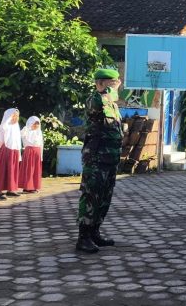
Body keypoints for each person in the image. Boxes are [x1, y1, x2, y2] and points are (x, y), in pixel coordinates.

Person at [76, 68, 123, 253]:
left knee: (104, 198)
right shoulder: (94, 99)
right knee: (91, 196)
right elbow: (99, 101)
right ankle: (83, 237)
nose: (116, 87)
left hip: (110, 159)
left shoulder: (112, 105)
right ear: (100, 83)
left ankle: (94, 232)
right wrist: (109, 91)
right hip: (96, 159)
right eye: (113, 84)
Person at [0, 108, 22, 199]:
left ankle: (11, 189)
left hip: (14, 150)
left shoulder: (16, 126)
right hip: (6, 150)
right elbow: (0, 140)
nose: (15, 117)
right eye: (13, 115)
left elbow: (18, 140)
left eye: (17, 116)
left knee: (13, 170)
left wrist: (19, 153)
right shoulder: (4, 126)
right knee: (3, 170)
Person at [19, 116, 43, 193]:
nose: (36, 125)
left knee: (36, 170)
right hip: (29, 151)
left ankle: (34, 186)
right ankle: (27, 187)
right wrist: (27, 128)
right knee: (29, 169)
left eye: (37, 124)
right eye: (34, 123)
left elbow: (41, 144)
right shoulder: (26, 131)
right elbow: (21, 135)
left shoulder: (39, 132)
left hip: (37, 152)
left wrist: (41, 156)